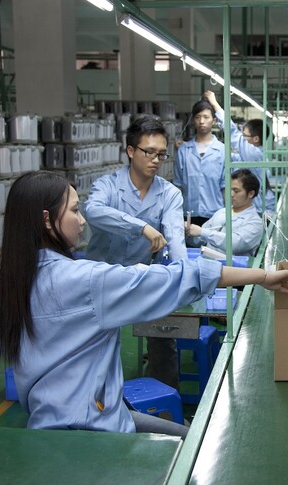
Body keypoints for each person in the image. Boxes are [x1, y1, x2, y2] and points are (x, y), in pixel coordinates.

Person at [0, 171, 288, 437]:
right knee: (199, 449)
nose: (83, 220)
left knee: (186, 435)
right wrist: (262, 276)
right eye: (75, 210)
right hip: (97, 430)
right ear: (47, 220)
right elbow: (180, 278)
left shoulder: (10, 284)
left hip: (47, 427)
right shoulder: (88, 280)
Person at [83, 117, 186, 390]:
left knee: (163, 337)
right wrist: (141, 227)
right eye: (149, 152)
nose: (156, 160)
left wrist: (184, 276)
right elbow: (93, 211)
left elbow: (176, 239)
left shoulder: (170, 194)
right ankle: (93, 397)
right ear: (131, 150)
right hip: (101, 278)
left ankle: (165, 397)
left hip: (143, 279)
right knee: (94, 344)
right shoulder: (107, 185)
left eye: (161, 154)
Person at [203, 90, 276, 213]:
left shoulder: (254, 154)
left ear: (256, 139)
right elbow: (231, 157)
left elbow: (232, 133)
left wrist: (215, 104)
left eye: (245, 136)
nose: (242, 138)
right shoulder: (252, 156)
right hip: (254, 208)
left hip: (256, 210)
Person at [185, 169, 263, 256]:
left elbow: (235, 244)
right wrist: (187, 232)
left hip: (232, 264)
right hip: (208, 262)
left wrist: (202, 232)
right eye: (229, 189)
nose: (231, 194)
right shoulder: (221, 213)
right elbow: (199, 240)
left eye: (236, 191)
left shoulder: (255, 222)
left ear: (251, 194)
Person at [174, 99, 226, 226]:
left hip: (215, 214)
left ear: (214, 120)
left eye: (206, 117)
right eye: (197, 117)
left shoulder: (222, 151)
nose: (201, 121)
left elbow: (225, 187)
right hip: (188, 214)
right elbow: (177, 186)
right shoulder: (184, 151)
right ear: (193, 120)